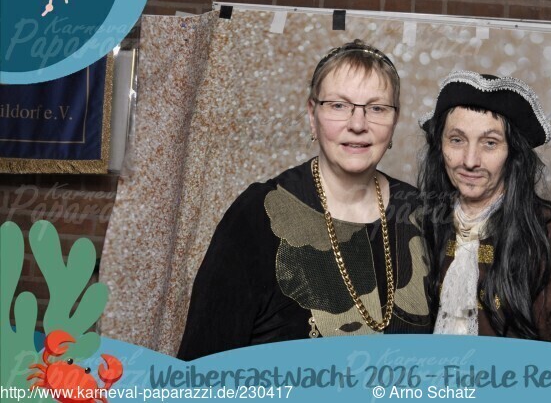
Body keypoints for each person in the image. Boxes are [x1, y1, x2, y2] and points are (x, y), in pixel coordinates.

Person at [178, 40, 431, 360]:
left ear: (394, 121)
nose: (357, 124)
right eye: (338, 106)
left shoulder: (421, 213)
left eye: (377, 108)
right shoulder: (257, 216)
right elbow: (201, 366)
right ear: (313, 115)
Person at [418, 70, 551, 348]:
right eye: (457, 140)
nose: (470, 161)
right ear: (440, 146)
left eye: (490, 143)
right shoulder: (422, 224)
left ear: (514, 153)